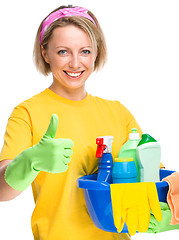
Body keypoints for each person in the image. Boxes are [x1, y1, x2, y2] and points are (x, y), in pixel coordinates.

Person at [0, 5, 151, 240]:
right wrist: (30, 162)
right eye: (63, 51)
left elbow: (151, 172)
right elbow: (2, 192)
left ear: (96, 53)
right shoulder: (27, 113)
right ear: (45, 53)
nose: (75, 63)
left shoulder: (118, 113)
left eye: (85, 51)